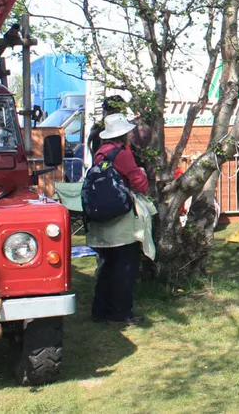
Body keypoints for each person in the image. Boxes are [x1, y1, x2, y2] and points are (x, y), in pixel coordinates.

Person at [85, 113, 156, 325]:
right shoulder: (122, 154)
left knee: (107, 266)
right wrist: (142, 173)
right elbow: (139, 184)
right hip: (121, 218)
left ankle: (100, 310)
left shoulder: (100, 153)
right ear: (124, 134)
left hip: (102, 217)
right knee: (125, 267)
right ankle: (121, 313)